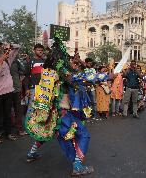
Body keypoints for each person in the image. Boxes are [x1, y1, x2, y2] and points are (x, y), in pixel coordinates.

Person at [25, 37, 94, 176]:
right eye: (65, 56)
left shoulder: (49, 71)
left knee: (47, 131)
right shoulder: (61, 71)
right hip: (63, 113)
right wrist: (101, 77)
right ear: (60, 57)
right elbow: (75, 80)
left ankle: (32, 153)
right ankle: (77, 166)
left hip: (53, 112)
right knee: (83, 135)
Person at [0, 41, 20, 143]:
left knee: (8, 114)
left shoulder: (6, 59)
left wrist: (10, 45)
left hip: (9, 91)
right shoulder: (2, 59)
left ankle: (8, 133)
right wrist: (0, 61)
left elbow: (18, 47)